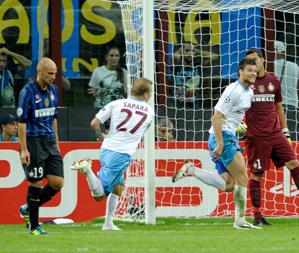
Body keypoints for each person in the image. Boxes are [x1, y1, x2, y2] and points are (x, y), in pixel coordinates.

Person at [172, 58, 260, 230]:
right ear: (240, 72)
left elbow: (231, 116)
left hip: (226, 135)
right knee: (242, 177)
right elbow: (217, 116)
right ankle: (240, 221)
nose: (253, 73)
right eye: (249, 70)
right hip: (223, 137)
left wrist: (237, 126)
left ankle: (192, 170)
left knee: (229, 185)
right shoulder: (233, 90)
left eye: (255, 71)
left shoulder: (249, 92)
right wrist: (220, 144)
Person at [243, 48, 299, 226]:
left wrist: (285, 130)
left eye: (254, 60)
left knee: (294, 164)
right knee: (257, 175)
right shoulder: (245, 84)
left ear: (263, 60)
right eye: (248, 61)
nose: (252, 64)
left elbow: (279, 107)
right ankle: (257, 216)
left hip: (275, 133)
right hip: (257, 137)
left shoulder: (273, 81)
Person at [71, 78, 154, 230]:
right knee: (99, 196)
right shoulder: (149, 113)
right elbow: (139, 134)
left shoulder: (116, 103)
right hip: (121, 155)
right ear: (147, 94)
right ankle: (87, 170)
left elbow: (94, 123)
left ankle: (108, 223)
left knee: (119, 187)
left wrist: (101, 136)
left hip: (107, 148)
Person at [17, 57, 64, 235]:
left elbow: (54, 118)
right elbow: (21, 122)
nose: (53, 77)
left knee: (57, 183)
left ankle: (27, 208)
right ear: (39, 72)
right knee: (36, 182)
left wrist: (57, 143)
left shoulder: (54, 90)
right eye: (50, 73)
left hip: (50, 141)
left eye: (55, 73)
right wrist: (23, 149)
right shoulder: (27, 92)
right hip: (33, 141)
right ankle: (33, 226)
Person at [172, 42, 218, 107]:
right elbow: (175, 56)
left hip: (194, 105)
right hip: (178, 104)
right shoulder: (177, 63)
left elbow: (215, 56)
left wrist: (197, 51)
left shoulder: (198, 65)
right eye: (187, 50)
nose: (190, 53)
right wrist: (180, 50)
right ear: (181, 51)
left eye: (192, 51)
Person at [274, 41, 299, 110]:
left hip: (276, 105)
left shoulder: (268, 66)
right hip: (292, 104)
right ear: (283, 52)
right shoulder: (295, 66)